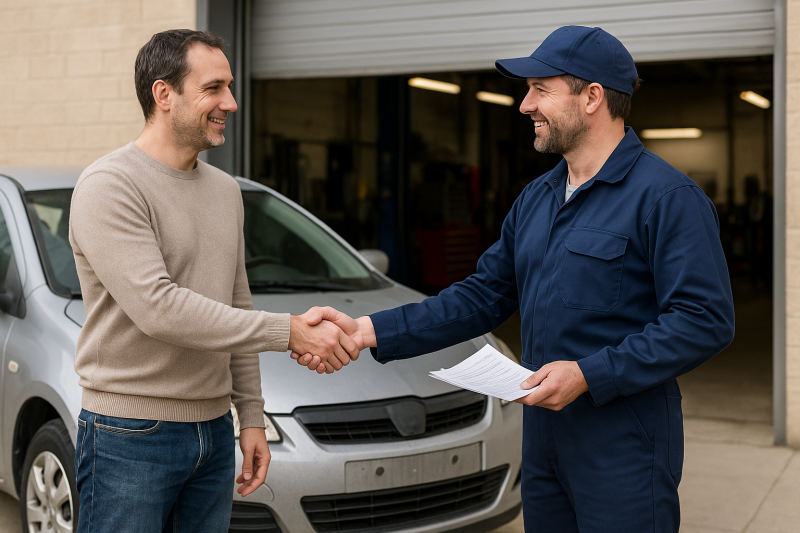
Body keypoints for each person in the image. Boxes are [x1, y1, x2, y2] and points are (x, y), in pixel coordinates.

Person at [294, 25, 735, 532]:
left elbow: (704, 320)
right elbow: (482, 296)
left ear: (592, 97)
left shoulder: (666, 198)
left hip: (623, 443)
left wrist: (590, 373)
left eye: (541, 90)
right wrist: (366, 330)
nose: (525, 105)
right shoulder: (538, 198)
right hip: (544, 439)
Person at [68, 29, 358, 533]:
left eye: (229, 87)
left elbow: (237, 304)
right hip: (130, 434)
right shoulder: (109, 185)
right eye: (214, 88)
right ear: (164, 95)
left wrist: (250, 416)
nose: (232, 101)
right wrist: (290, 330)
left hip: (213, 433)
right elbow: (158, 307)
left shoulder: (226, 191)